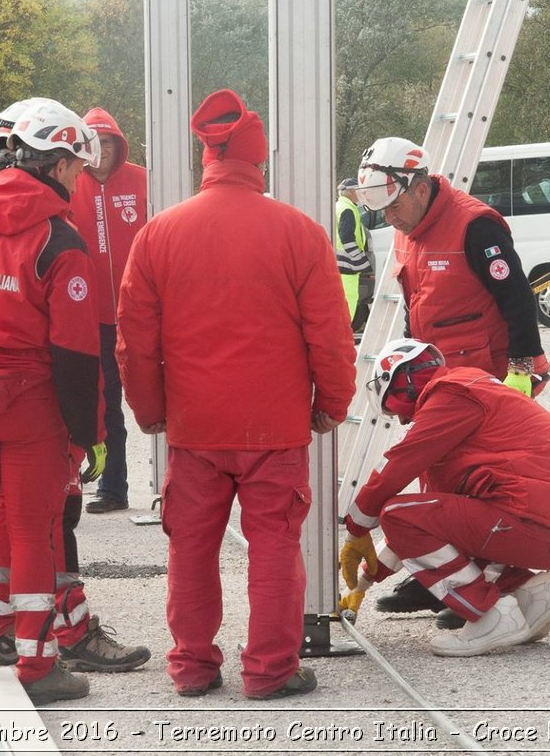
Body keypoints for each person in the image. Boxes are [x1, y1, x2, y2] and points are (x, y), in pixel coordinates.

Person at [118, 88, 356, 701]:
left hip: (195, 428)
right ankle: (270, 670)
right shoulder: (299, 233)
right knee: (275, 544)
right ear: (258, 159)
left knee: (190, 547)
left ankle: (193, 667)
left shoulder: (157, 235)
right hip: (274, 426)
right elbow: (330, 337)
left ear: (208, 156)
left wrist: (151, 412)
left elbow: (135, 343)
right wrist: (332, 402)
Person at [0, 104, 148, 680]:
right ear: (54, 165)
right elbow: (76, 356)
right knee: (34, 532)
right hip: (29, 403)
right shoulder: (60, 240)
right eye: (76, 168)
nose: (78, 180)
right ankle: (38, 665)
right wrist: (90, 436)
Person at [352, 136, 550, 620]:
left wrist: (522, 372)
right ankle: (433, 578)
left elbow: (517, 298)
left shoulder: (475, 226)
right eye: (381, 212)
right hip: (438, 378)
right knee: (436, 478)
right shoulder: (409, 229)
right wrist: (406, 366)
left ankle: (484, 585)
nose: (389, 220)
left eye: (393, 207)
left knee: (481, 483)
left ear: (418, 187)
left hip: (486, 378)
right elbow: (416, 304)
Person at [341, 338, 550, 656]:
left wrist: (356, 528)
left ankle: (490, 614)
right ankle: (536, 596)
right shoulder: (469, 386)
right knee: (433, 518)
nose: (403, 421)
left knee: (396, 513)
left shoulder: (449, 397)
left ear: (395, 383)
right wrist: (363, 583)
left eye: (394, 409)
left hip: (536, 518)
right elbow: (431, 524)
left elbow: (397, 470)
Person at [70, 108, 148, 514]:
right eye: (95, 144)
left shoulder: (143, 180)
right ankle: (113, 487)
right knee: (105, 401)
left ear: (120, 145)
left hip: (142, 312)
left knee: (164, 395)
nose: (102, 152)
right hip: (92, 316)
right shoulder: (68, 184)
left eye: (110, 144)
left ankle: (180, 482)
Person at [334, 177, 373, 334]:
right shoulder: (348, 209)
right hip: (348, 267)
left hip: (339, 265)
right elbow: (347, 237)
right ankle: (342, 336)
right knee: (347, 306)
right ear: (350, 192)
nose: (359, 194)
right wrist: (360, 260)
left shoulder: (339, 206)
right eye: (357, 191)